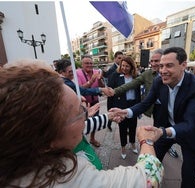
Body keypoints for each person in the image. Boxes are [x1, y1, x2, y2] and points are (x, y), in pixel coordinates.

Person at [0, 59, 164, 187]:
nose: (86, 115)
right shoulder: (68, 178)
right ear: (46, 139)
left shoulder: (27, 152)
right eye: (80, 112)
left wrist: (107, 117)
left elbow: (83, 126)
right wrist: (146, 141)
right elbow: (148, 178)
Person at [110, 47, 195, 188]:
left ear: (183, 65)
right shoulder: (159, 81)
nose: (163, 70)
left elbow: (190, 123)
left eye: (169, 65)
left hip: (191, 132)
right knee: (151, 159)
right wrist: (126, 112)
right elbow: (146, 103)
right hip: (166, 127)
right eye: (161, 66)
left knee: (189, 173)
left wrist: (162, 132)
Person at [108, 49, 179, 158]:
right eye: (152, 61)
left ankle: (168, 146)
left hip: (179, 118)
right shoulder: (148, 75)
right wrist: (115, 92)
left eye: (157, 61)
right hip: (156, 108)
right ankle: (157, 154)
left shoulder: (187, 82)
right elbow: (132, 86)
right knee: (159, 134)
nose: (154, 64)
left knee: (172, 134)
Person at [108, 56, 141, 159]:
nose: (124, 68)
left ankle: (132, 143)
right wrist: (110, 109)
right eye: (123, 65)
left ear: (132, 67)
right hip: (121, 106)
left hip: (133, 105)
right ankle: (123, 147)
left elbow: (139, 93)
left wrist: (139, 108)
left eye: (127, 66)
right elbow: (110, 93)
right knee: (122, 127)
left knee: (133, 126)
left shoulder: (135, 76)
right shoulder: (115, 76)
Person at [76, 55, 105, 147]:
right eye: (87, 63)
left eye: (91, 63)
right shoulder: (77, 73)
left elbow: (102, 87)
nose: (89, 65)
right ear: (82, 64)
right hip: (83, 104)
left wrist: (99, 79)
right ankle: (80, 141)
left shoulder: (97, 72)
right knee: (81, 123)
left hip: (95, 101)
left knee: (95, 121)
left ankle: (92, 139)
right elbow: (80, 89)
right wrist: (91, 80)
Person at [103, 51, 124, 131]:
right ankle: (109, 123)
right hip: (113, 94)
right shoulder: (112, 69)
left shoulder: (121, 67)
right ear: (115, 59)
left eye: (122, 58)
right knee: (112, 111)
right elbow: (110, 84)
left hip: (118, 93)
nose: (121, 60)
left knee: (117, 111)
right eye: (119, 58)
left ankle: (120, 126)